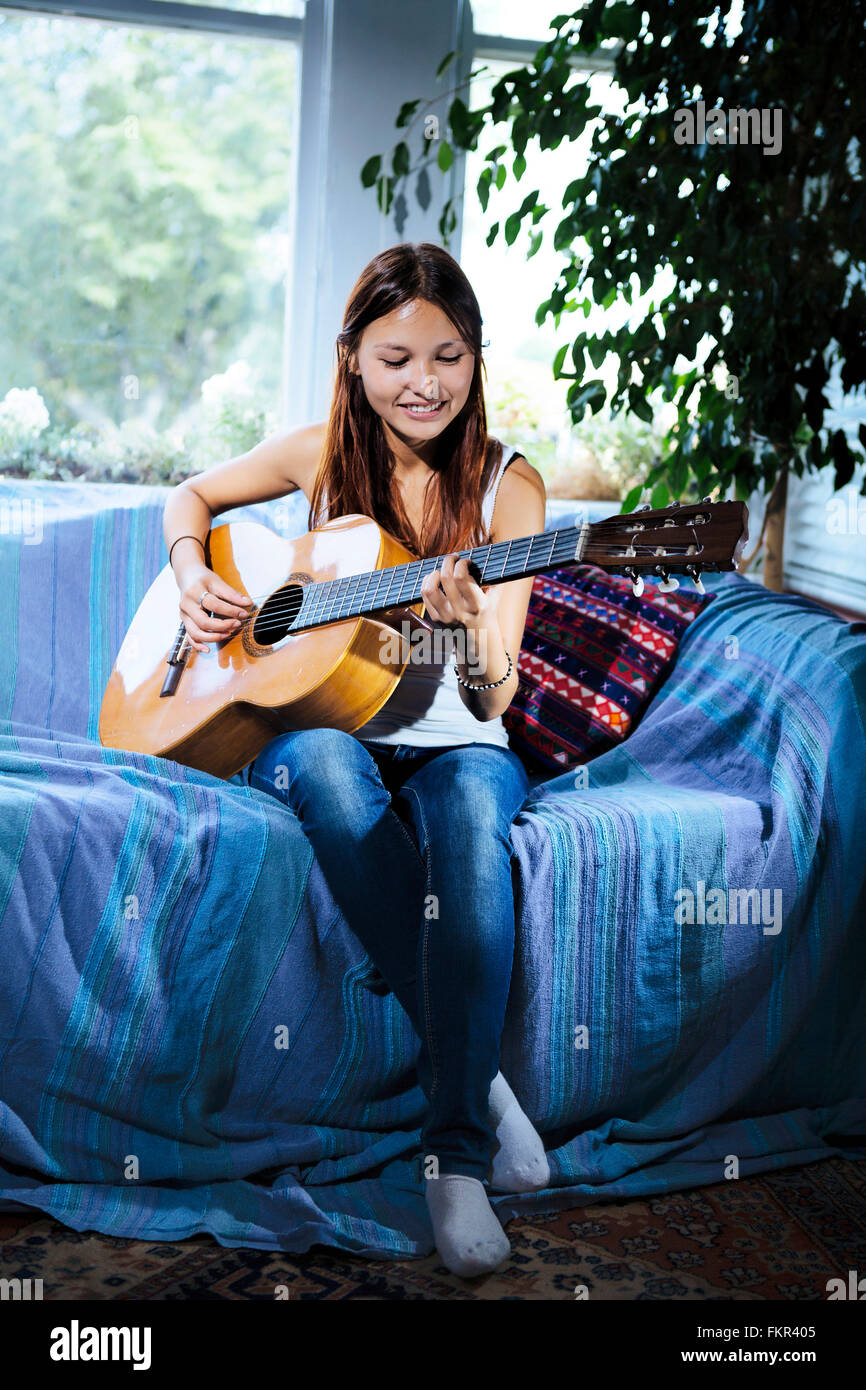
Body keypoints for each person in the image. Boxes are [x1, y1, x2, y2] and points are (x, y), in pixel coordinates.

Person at [162, 241, 550, 1277]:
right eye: (393, 359)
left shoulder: (510, 490)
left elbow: (497, 694)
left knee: (471, 823)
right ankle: (481, 1079)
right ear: (351, 360)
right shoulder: (314, 454)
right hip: (324, 727)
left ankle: (453, 1160)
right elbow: (190, 496)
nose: (422, 381)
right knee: (326, 768)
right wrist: (192, 571)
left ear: (475, 359)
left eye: (446, 355)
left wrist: (469, 630)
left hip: (462, 738)